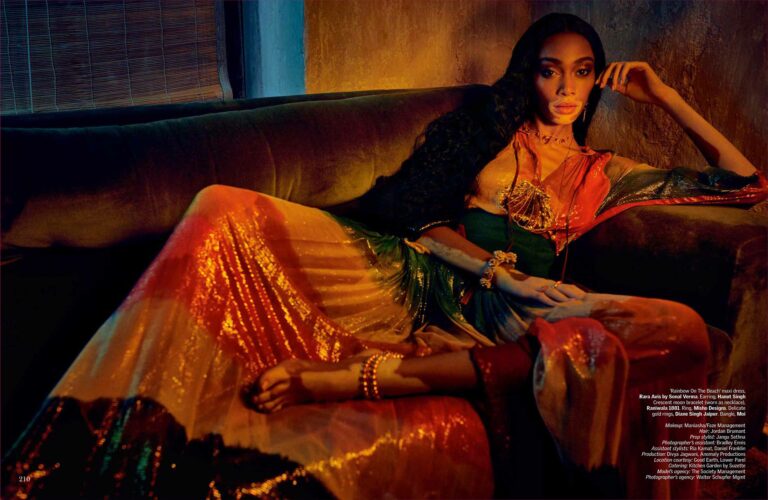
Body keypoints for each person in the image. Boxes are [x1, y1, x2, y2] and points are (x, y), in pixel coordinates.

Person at [4, 12, 765, 500]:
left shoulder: (604, 174)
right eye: (549, 68)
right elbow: (418, 220)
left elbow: (748, 185)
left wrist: (666, 95)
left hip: (510, 317)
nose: (565, 87)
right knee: (222, 208)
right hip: (412, 273)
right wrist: (492, 269)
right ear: (527, 71)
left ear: (597, 81)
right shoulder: (488, 129)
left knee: (674, 332)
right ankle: (101, 426)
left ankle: (358, 379)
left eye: (582, 71)